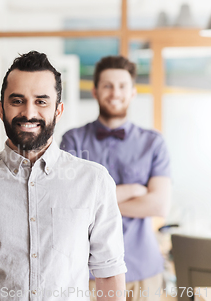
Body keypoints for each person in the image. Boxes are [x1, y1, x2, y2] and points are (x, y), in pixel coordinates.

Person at [0, 51, 127, 301]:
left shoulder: (94, 182)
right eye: (17, 100)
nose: (28, 112)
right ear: (1, 109)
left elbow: (108, 271)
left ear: (58, 110)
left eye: (41, 101)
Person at [61, 56, 171, 301]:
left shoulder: (153, 142)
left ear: (133, 92)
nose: (115, 93)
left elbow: (159, 205)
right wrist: (133, 189)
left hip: (144, 269)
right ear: (95, 91)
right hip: (89, 272)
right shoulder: (73, 140)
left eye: (122, 86)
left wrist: (97, 206)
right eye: (108, 86)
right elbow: (70, 205)